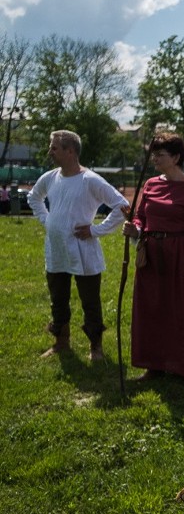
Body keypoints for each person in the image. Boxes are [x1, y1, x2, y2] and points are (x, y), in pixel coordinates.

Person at [121, 132, 184, 381]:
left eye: (160, 155)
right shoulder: (151, 184)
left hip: (180, 256)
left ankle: (183, 364)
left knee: (179, 310)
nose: (154, 159)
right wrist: (136, 228)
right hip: (152, 256)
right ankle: (154, 364)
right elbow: (141, 215)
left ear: (176, 157)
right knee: (152, 308)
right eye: (153, 154)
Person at [28, 130, 129, 361]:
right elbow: (34, 197)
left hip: (83, 250)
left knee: (90, 300)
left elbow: (121, 206)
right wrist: (48, 220)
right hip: (56, 249)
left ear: (70, 151)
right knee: (58, 297)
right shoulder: (50, 177)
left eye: (54, 148)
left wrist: (95, 230)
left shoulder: (90, 180)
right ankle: (61, 342)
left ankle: (96, 347)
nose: (50, 151)